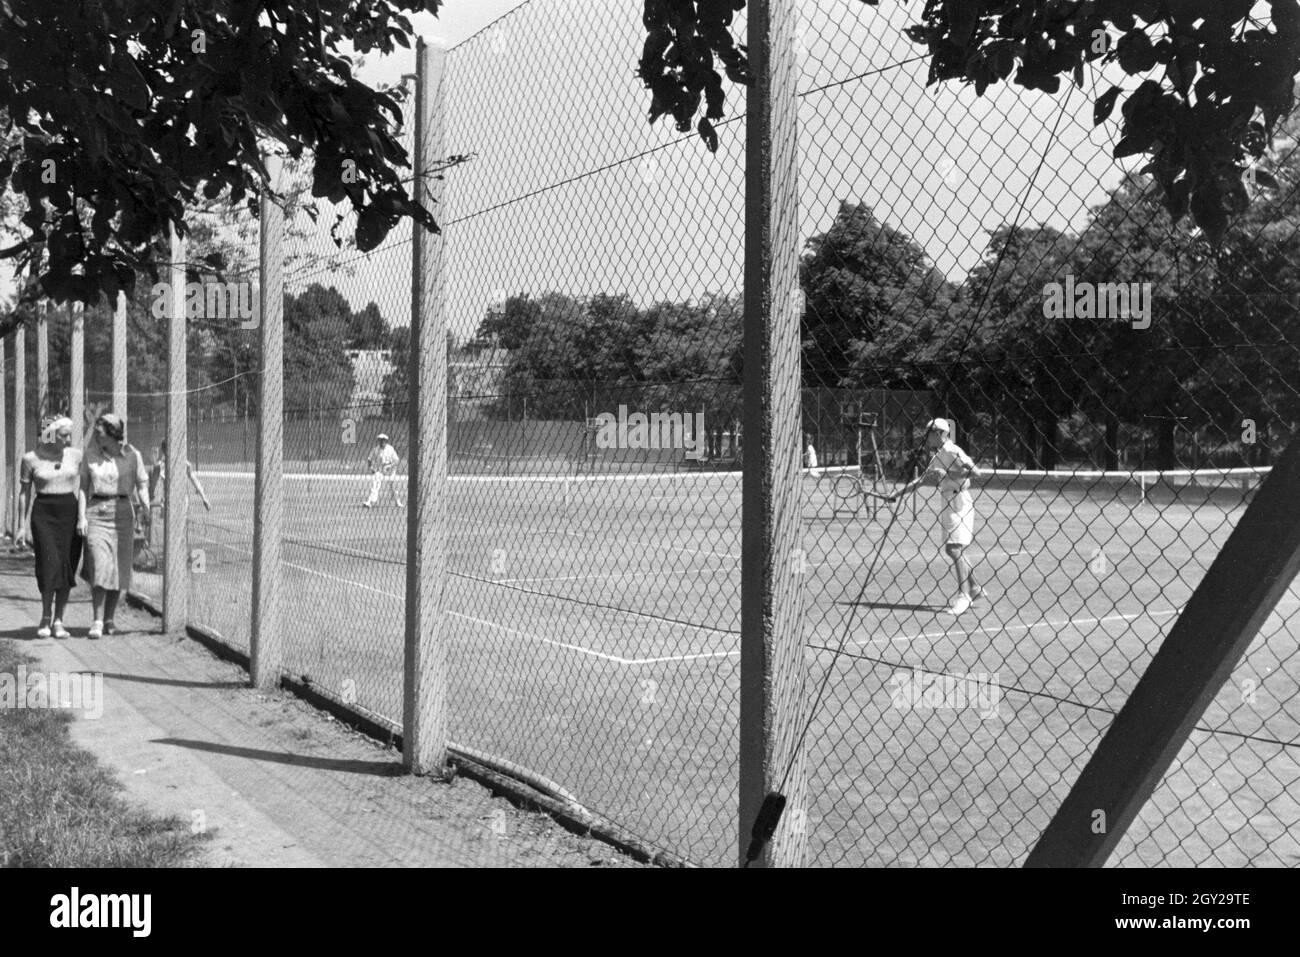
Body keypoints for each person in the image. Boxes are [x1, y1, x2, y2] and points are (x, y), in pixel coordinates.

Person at [888, 418, 984, 616]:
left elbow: (975, 473)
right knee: (954, 549)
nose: (926, 436)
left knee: (953, 548)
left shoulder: (952, 451)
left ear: (940, 433)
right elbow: (921, 481)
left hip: (960, 502)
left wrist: (947, 472)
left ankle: (963, 595)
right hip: (948, 501)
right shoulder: (937, 456)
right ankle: (974, 588)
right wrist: (896, 494)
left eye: (929, 432)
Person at [78, 413, 149, 639]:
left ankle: (110, 619)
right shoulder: (89, 455)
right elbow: (82, 488)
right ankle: (97, 621)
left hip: (123, 514)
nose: (95, 435)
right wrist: (81, 518)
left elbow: (142, 485)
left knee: (119, 569)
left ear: (112, 433)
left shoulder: (133, 456)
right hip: (96, 512)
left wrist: (146, 508)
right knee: (100, 566)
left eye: (99, 431)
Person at [17, 416, 83, 638]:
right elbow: (24, 494)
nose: (68, 439)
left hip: (69, 513)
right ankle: (45, 616)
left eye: (69, 435)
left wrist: (83, 517)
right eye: (64, 435)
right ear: (51, 434)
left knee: (66, 566)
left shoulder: (75, 456)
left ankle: (59, 621)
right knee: (48, 565)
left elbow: (84, 487)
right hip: (44, 513)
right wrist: (20, 526)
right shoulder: (30, 459)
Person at [150, 439, 211, 512]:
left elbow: (152, 487)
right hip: (171, 500)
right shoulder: (160, 466)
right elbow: (194, 481)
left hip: (178, 500)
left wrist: (204, 498)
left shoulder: (183, 464)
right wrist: (204, 497)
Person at [363, 433, 404, 508]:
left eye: (383, 440)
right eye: (380, 440)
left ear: (386, 441)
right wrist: (371, 468)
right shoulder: (375, 449)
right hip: (380, 470)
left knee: (393, 487)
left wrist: (389, 466)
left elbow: (396, 460)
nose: (381, 442)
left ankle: (398, 502)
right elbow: (369, 459)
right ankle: (369, 502)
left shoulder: (390, 449)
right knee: (375, 484)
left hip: (390, 470)